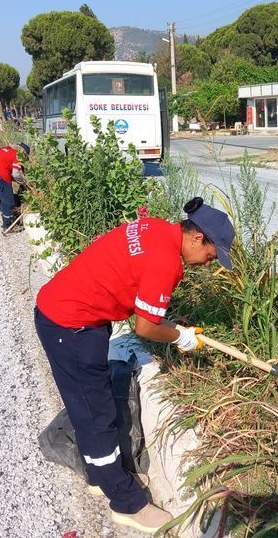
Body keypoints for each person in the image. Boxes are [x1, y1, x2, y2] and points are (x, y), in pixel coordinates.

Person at [34, 197, 235, 534]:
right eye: (212, 256)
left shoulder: (156, 228)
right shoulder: (166, 263)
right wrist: (179, 338)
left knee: (94, 407)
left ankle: (103, 476)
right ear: (198, 238)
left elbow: (136, 286)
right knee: (94, 415)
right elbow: (144, 328)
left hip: (78, 315)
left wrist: (169, 322)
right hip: (69, 324)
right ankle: (126, 503)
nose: (208, 263)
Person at [0, 142, 29, 232]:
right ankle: (9, 226)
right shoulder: (17, 154)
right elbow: (16, 174)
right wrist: (24, 183)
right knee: (9, 202)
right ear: (23, 152)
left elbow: (2, 165)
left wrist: (13, 179)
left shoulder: (3, 150)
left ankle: (6, 221)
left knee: (2, 201)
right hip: (1, 176)